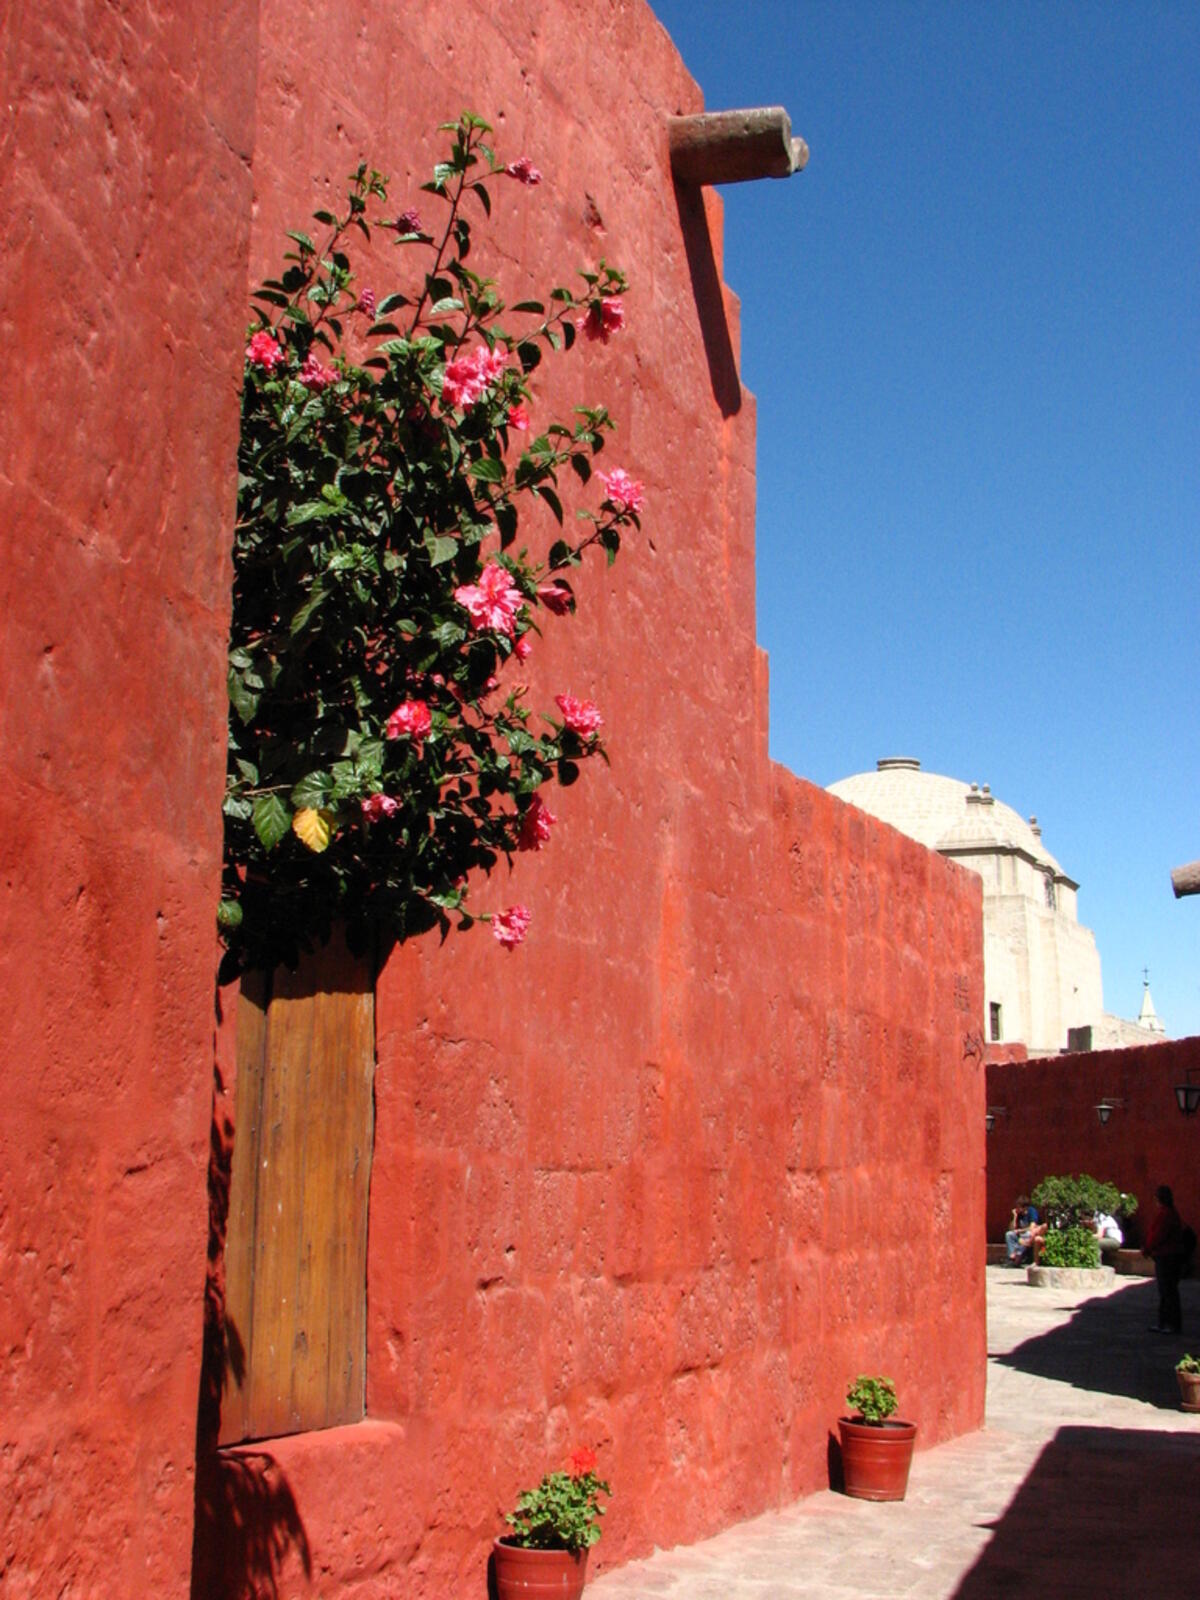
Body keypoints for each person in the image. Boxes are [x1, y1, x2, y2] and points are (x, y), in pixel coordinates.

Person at [1143, 1184, 1185, 1334]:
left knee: (1168, 1291)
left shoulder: (1166, 1214)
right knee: (1167, 1291)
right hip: (1169, 1256)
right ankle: (1165, 1323)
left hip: (1166, 1257)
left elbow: (1158, 1235)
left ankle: (1170, 1324)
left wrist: (1147, 1248)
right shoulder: (1170, 1213)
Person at [1006, 1196, 1040, 1266]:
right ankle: (1012, 1256)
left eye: (1018, 1207)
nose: (1017, 1208)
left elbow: (1032, 1227)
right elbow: (1011, 1229)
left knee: (1027, 1234)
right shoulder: (1018, 1214)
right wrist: (1015, 1216)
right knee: (1009, 1234)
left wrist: (1020, 1231)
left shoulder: (1031, 1211)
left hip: (1029, 1235)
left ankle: (1018, 1256)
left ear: (1025, 1207)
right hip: (1021, 1236)